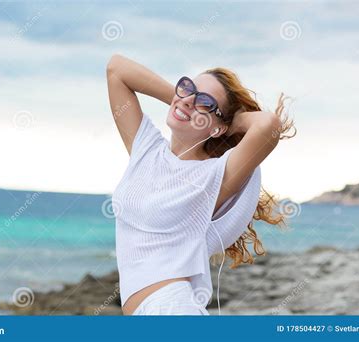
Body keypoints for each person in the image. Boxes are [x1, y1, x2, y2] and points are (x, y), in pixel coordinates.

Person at [106, 54, 296, 315]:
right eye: (187, 87)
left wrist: (228, 123)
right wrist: (183, 102)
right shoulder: (146, 150)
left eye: (206, 102)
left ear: (218, 128)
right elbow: (117, 69)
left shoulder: (212, 176)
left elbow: (268, 126)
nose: (189, 98)